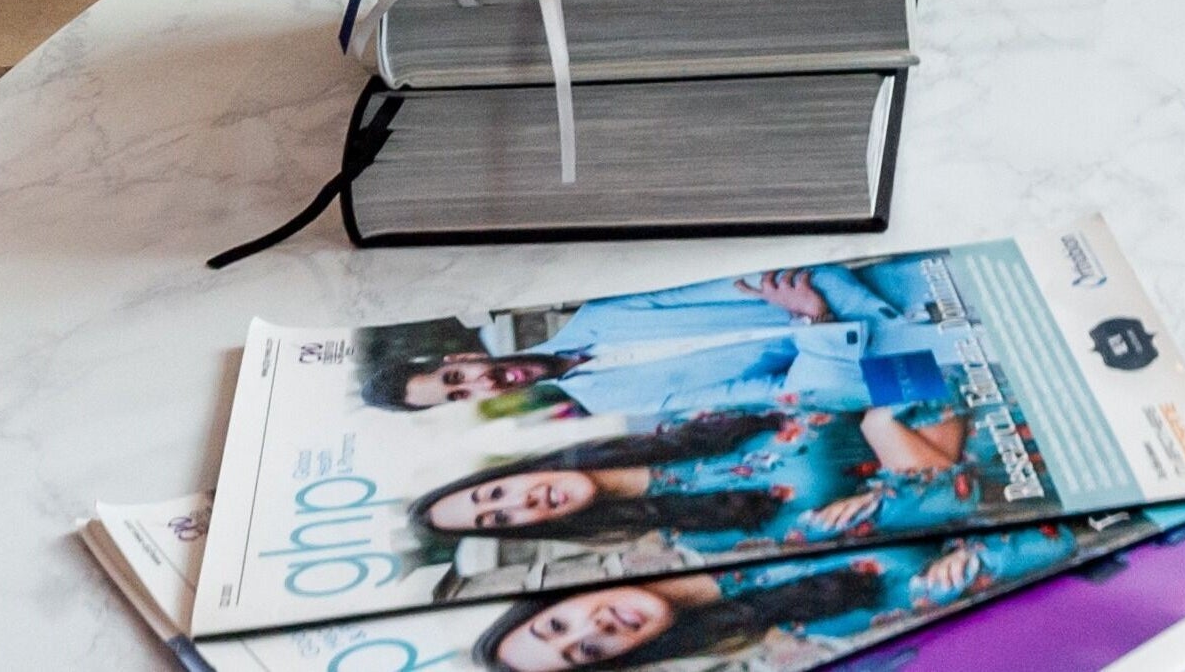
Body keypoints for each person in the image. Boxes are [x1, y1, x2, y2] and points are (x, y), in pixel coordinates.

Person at [361, 270, 966, 419]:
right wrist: (816, 328)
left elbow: (770, 277)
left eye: (456, 378)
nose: (481, 385)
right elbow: (781, 394)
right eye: (459, 398)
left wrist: (825, 310)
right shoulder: (612, 405)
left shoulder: (604, 303)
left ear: (458, 358)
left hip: (891, 288)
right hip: (886, 368)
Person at [412, 405, 985, 561]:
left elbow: (830, 384)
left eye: (494, 494)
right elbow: (927, 505)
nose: (521, 501)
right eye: (501, 519)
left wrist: (884, 425)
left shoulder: (675, 423)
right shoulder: (706, 537)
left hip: (971, 383)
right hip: (1006, 457)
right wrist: (882, 422)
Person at [469, 528, 1086, 671]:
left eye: (558, 624)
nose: (593, 628)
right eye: (586, 652)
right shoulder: (792, 648)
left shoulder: (694, 519)